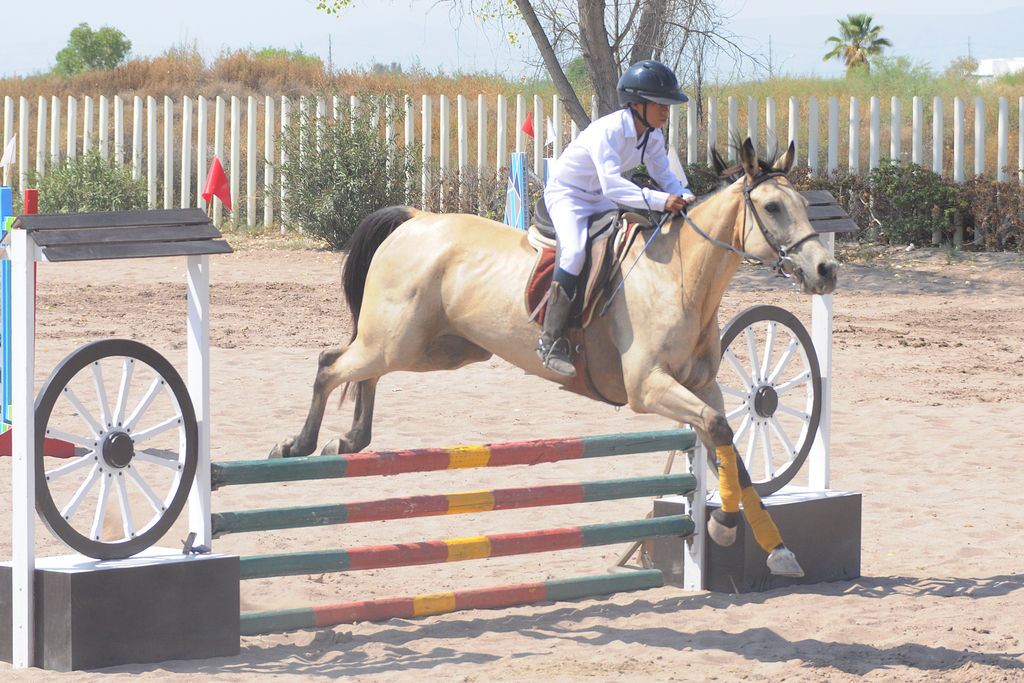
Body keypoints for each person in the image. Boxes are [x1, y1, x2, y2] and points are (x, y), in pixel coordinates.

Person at [536, 59, 697, 377]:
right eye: (660, 105)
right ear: (637, 105)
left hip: (598, 198)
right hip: (567, 194)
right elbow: (613, 184)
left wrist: (686, 195)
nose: (666, 112)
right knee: (576, 250)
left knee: (628, 237)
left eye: (668, 105)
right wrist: (664, 200)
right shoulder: (608, 131)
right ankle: (550, 339)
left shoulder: (651, 136)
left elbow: (665, 176)